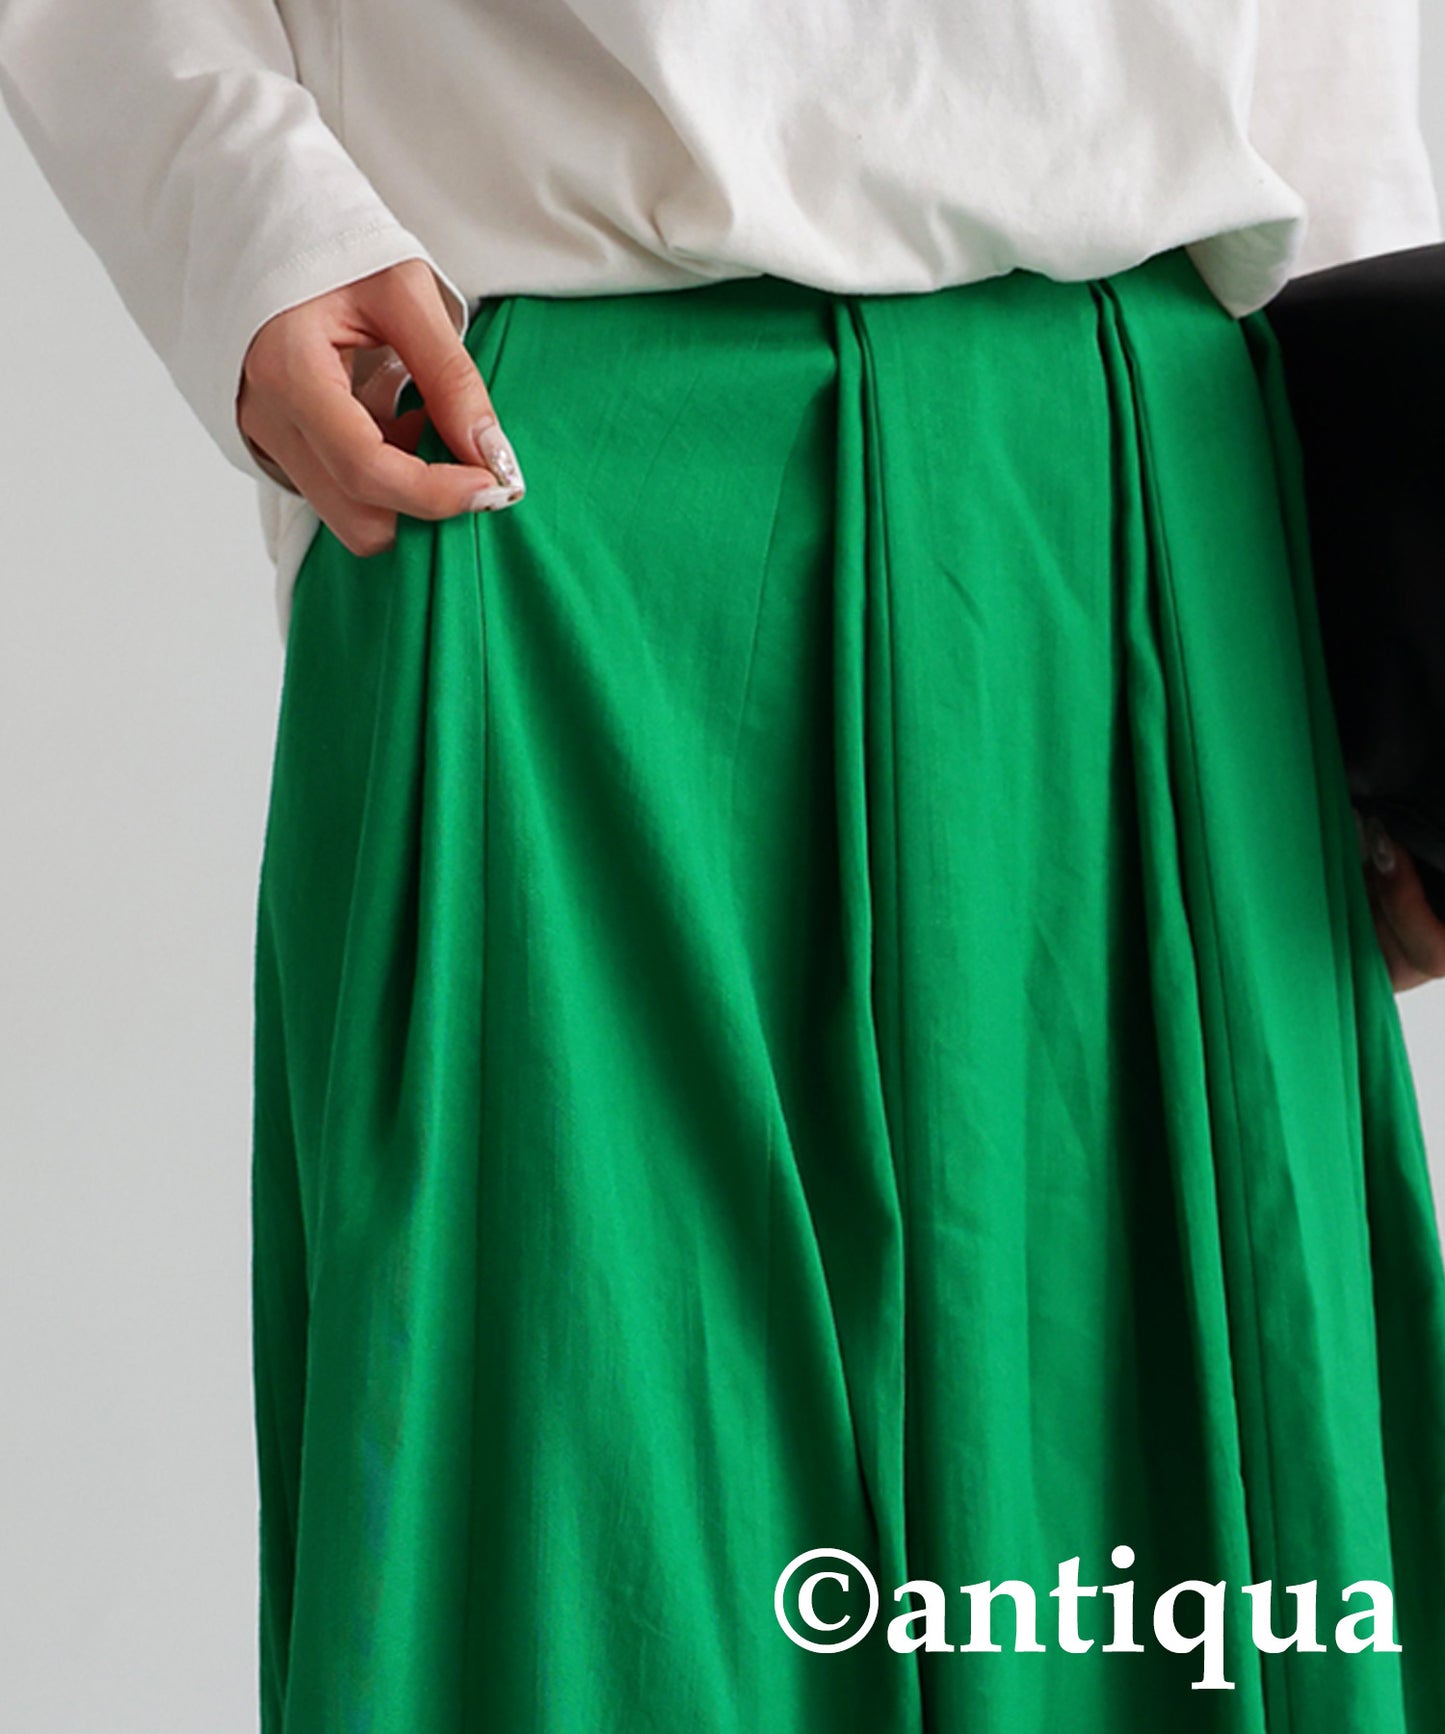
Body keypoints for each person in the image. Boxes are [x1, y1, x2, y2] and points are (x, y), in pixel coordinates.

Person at [5, 1, 1445, 1726]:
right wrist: (232, 199)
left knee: (1155, 1617)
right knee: (563, 1601)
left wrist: (1396, 559)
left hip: (1154, 480)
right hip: (543, 478)